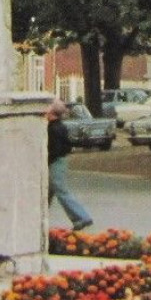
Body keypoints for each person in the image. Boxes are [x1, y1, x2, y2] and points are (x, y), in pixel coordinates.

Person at [45, 99, 92, 232]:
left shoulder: (53, 128)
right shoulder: (61, 126)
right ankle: (39, 218)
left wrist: (47, 159)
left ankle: (81, 216)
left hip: (55, 162)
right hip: (60, 160)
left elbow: (55, 149)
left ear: (52, 112)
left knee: (60, 190)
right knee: (47, 191)